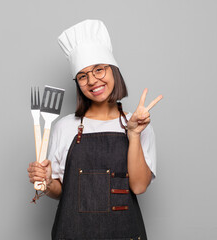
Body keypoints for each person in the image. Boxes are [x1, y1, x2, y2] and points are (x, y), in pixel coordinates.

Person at [27, 19, 162, 240]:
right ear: (78, 83)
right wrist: (48, 182)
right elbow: (61, 191)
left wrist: (134, 134)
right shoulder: (64, 127)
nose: (92, 81)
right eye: (83, 76)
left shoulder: (137, 123)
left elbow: (138, 187)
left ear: (113, 71)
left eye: (99, 69)